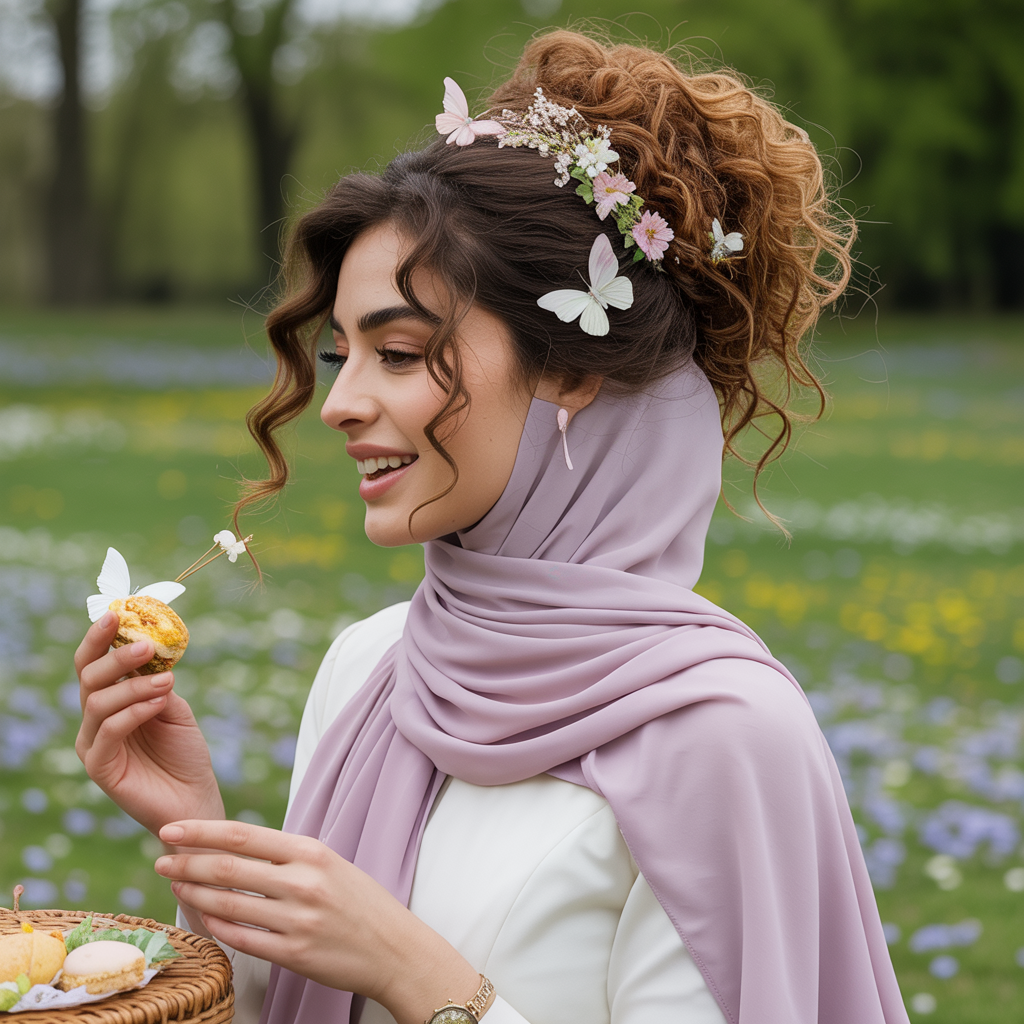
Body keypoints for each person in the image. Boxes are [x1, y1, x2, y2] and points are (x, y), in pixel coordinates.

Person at [74, 29, 910, 1024]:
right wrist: (202, 841)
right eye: (341, 355)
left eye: (397, 351)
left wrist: (414, 970)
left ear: (568, 371)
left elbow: (387, 975)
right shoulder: (374, 670)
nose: (338, 402)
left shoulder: (721, 740)